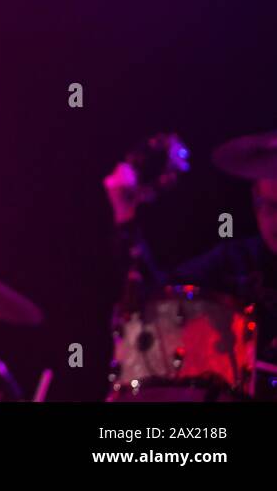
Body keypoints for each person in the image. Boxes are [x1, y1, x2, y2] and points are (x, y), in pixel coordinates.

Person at [104, 162, 277, 383]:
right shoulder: (236, 260)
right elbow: (158, 296)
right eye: (271, 207)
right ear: (256, 203)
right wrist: (125, 215)